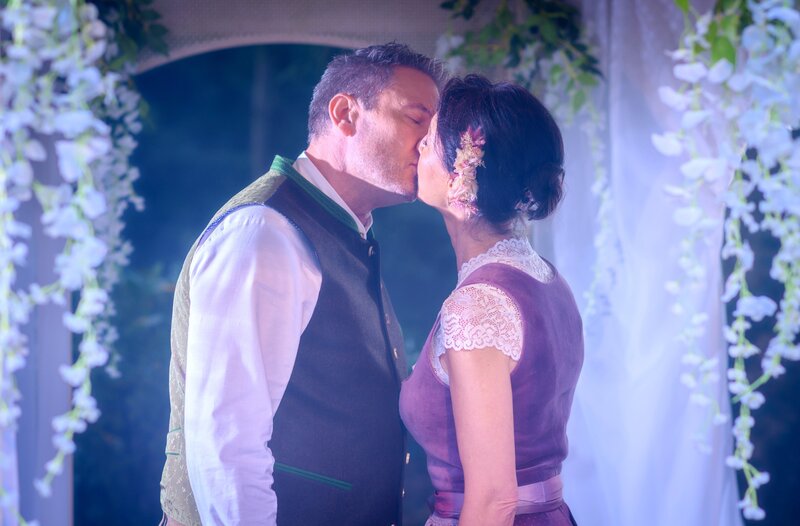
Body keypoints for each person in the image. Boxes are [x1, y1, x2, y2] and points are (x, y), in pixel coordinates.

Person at [159, 43, 443, 526]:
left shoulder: (345, 234)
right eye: (418, 120)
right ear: (345, 114)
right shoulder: (265, 232)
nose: (430, 144)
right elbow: (227, 446)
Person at [399, 75, 584, 526]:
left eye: (431, 140)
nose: (418, 145)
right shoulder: (546, 277)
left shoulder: (478, 305)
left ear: (463, 176)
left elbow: (494, 501)